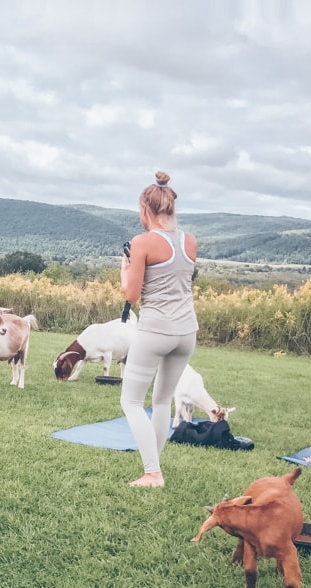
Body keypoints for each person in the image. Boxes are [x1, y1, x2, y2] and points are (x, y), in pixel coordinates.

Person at [119, 171, 198, 488]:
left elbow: (131, 294)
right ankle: (154, 467)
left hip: (155, 331)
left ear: (145, 209)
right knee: (163, 401)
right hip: (186, 332)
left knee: (132, 402)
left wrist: (124, 266)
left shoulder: (142, 242)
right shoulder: (189, 240)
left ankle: (153, 473)